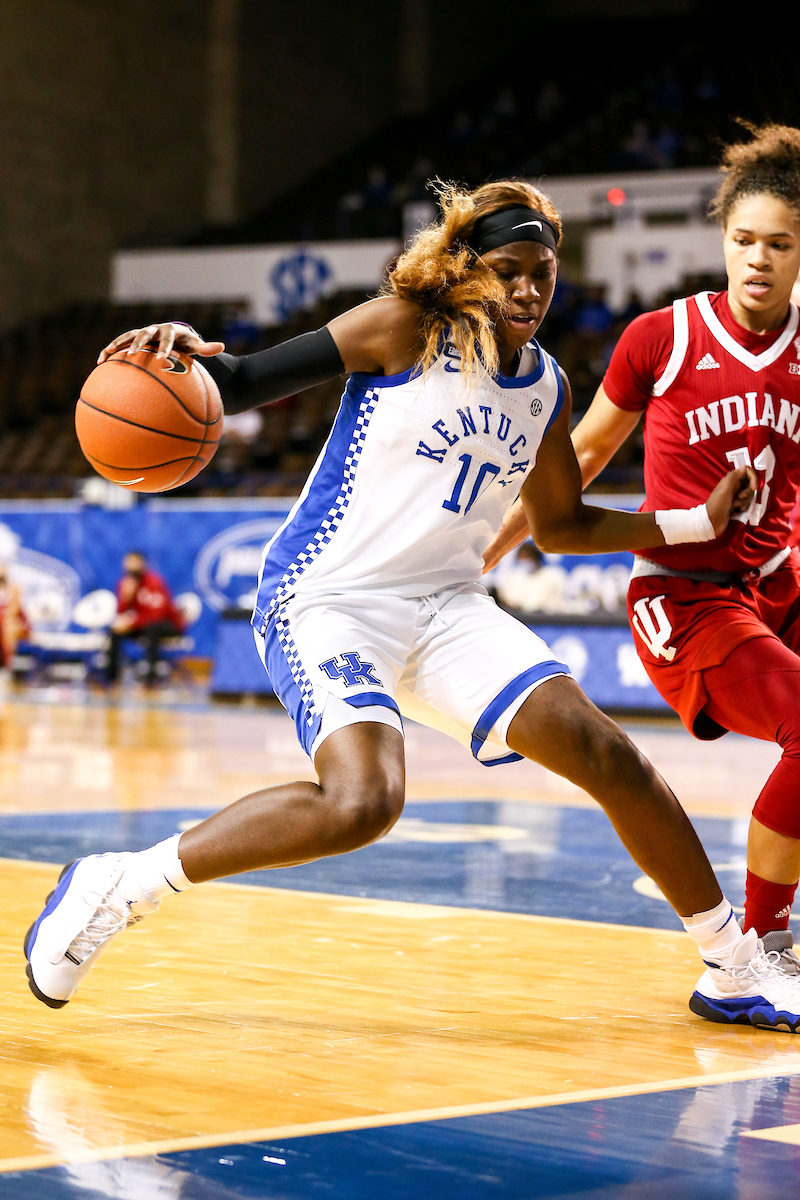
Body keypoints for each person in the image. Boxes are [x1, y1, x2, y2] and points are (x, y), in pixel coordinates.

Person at [24, 179, 799, 1034]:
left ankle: (733, 965)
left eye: (545, 273)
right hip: (328, 598)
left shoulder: (544, 386)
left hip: (447, 607)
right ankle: (119, 885)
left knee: (604, 751)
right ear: (468, 270)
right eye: (510, 270)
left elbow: (563, 523)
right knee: (363, 803)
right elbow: (242, 380)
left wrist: (693, 522)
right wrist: (179, 354)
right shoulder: (402, 327)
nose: (530, 290)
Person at [485, 124, 800, 982]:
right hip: (686, 599)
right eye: (744, 241)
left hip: (781, 584)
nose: (758, 259)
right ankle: (757, 955)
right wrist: (486, 552)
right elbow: (580, 460)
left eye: (779, 244)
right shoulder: (662, 338)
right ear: (721, 240)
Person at [107, 552, 185, 686]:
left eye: (134, 562)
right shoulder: (125, 583)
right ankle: (111, 678)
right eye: (128, 563)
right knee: (115, 632)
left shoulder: (154, 581)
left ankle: (150, 678)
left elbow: (158, 614)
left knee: (152, 629)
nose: (131, 566)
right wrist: (126, 598)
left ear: (142, 564)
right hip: (140, 624)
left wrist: (132, 622)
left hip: (167, 624)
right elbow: (121, 612)